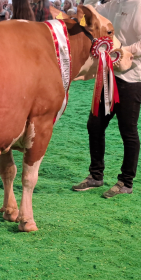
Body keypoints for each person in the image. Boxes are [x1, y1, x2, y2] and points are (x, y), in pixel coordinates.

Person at [72, 0, 141, 198]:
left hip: (133, 78)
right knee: (94, 125)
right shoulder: (112, 5)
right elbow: (85, 16)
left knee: (128, 131)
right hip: (110, 75)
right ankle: (96, 175)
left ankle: (126, 181)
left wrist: (123, 51)